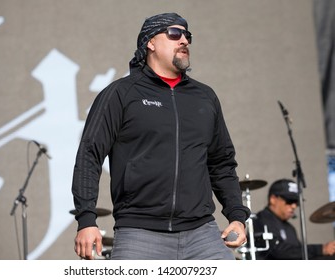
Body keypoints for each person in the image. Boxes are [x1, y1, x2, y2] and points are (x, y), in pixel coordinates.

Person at [71, 12, 250, 260]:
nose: (184, 40)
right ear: (150, 43)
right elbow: (89, 156)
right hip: (139, 234)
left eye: (187, 35)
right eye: (174, 33)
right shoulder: (121, 94)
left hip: (202, 234)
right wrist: (86, 220)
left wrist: (237, 217)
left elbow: (221, 163)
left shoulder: (205, 97)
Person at [252, 178, 335, 260]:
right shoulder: (261, 220)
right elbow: (278, 251)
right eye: (289, 201)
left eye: (296, 202)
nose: (294, 206)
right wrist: (320, 249)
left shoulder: (289, 227)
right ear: (273, 199)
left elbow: (299, 254)